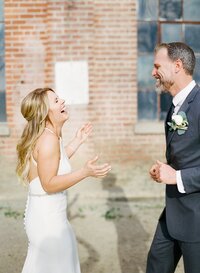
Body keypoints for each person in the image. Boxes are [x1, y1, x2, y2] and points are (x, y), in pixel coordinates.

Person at [16, 87, 111, 273]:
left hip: (49, 216)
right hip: (47, 222)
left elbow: (54, 162)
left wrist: (77, 141)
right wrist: (84, 172)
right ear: (45, 111)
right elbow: (49, 183)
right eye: (56, 101)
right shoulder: (47, 139)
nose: (63, 102)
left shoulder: (51, 135)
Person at [146, 42, 200, 273]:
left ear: (177, 65)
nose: (152, 72)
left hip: (197, 217)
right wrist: (166, 170)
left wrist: (177, 176)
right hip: (174, 210)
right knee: (156, 264)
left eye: (158, 65)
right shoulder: (175, 107)